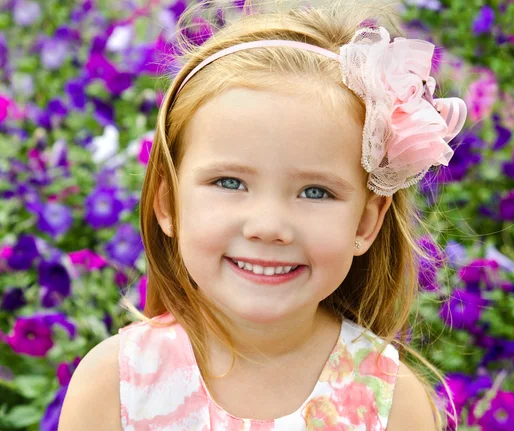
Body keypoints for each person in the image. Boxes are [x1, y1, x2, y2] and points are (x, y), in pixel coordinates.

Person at [59, 0, 466, 429]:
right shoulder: (117, 385)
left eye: (315, 191)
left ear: (365, 223)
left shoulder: (390, 403)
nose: (269, 227)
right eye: (230, 183)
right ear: (168, 203)